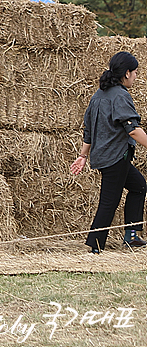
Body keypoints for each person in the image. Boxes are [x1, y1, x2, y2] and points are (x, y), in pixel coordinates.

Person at [70, 51, 147, 253]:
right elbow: (133, 130)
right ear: (127, 73)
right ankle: (95, 246)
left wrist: (83, 156)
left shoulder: (99, 95)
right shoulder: (120, 95)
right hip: (115, 158)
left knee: (139, 186)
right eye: (136, 72)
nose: (136, 77)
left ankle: (131, 235)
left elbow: (88, 130)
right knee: (109, 202)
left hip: (105, 156)